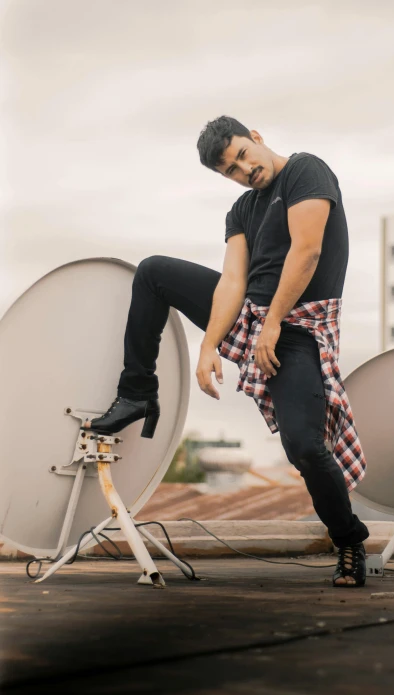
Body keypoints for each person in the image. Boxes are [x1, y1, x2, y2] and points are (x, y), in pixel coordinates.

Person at [85, 116, 369, 587]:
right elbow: (233, 281)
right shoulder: (241, 211)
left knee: (304, 446)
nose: (243, 170)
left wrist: (273, 324)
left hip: (296, 329)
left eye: (241, 155)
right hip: (253, 316)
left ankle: (349, 540)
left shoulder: (305, 171)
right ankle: (137, 393)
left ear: (255, 137)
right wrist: (209, 345)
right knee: (154, 271)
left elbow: (307, 252)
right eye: (230, 171)